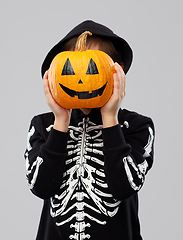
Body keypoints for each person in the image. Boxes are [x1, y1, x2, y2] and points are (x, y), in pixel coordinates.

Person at [24, 20, 155, 240]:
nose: (81, 78)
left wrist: (110, 117)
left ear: (117, 70)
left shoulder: (137, 126)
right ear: (55, 73)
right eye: (71, 68)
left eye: (92, 66)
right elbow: (41, 187)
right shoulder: (44, 125)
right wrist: (61, 121)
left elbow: (124, 187)